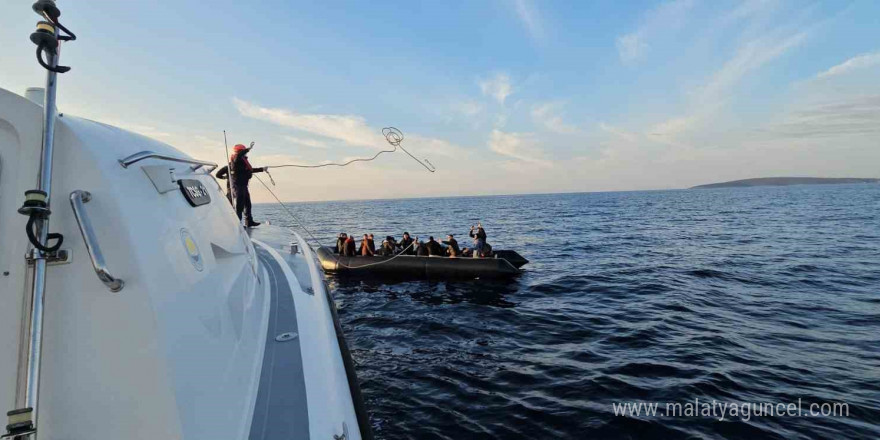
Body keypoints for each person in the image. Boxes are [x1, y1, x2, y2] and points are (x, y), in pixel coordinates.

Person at [225, 143, 267, 227]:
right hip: (238, 186)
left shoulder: (243, 161)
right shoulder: (236, 159)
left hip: (243, 185)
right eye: (243, 151)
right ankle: (238, 224)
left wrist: (262, 169)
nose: (245, 153)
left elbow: (250, 170)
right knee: (239, 205)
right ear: (239, 151)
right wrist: (249, 148)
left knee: (248, 204)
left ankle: (249, 222)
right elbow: (239, 155)